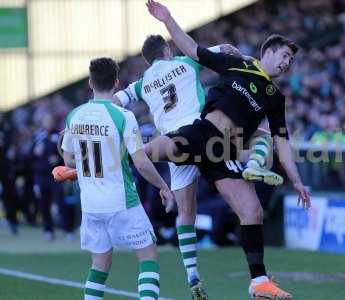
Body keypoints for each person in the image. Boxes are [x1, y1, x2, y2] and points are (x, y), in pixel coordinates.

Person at [145, 1, 310, 299]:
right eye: (284, 55)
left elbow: (282, 141)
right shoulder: (240, 64)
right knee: (150, 151)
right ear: (268, 52)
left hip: (224, 152)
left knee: (252, 210)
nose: (287, 63)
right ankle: (88, 165)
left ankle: (259, 282)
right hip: (203, 134)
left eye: (290, 60)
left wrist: (296, 180)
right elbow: (194, 50)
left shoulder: (276, 98)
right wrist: (168, 20)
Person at [113, 35, 282, 299]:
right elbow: (225, 49)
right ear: (167, 50)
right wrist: (247, 62)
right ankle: (258, 276)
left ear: (148, 59)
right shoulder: (185, 61)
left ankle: (192, 274)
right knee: (249, 198)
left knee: (186, 213)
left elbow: (115, 102)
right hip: (204, 134)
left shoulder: (143, 82)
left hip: (176, 144)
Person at [60, 57, 174, 300]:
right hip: (122, 200)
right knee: (148, 256)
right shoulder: (123, 116)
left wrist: (75, 167)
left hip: (90, 204)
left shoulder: (75, 116)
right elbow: (142, 162)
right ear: (117, 82)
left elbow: (69, 160)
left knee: (99, 265)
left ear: (90, 83)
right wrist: (163, 187)